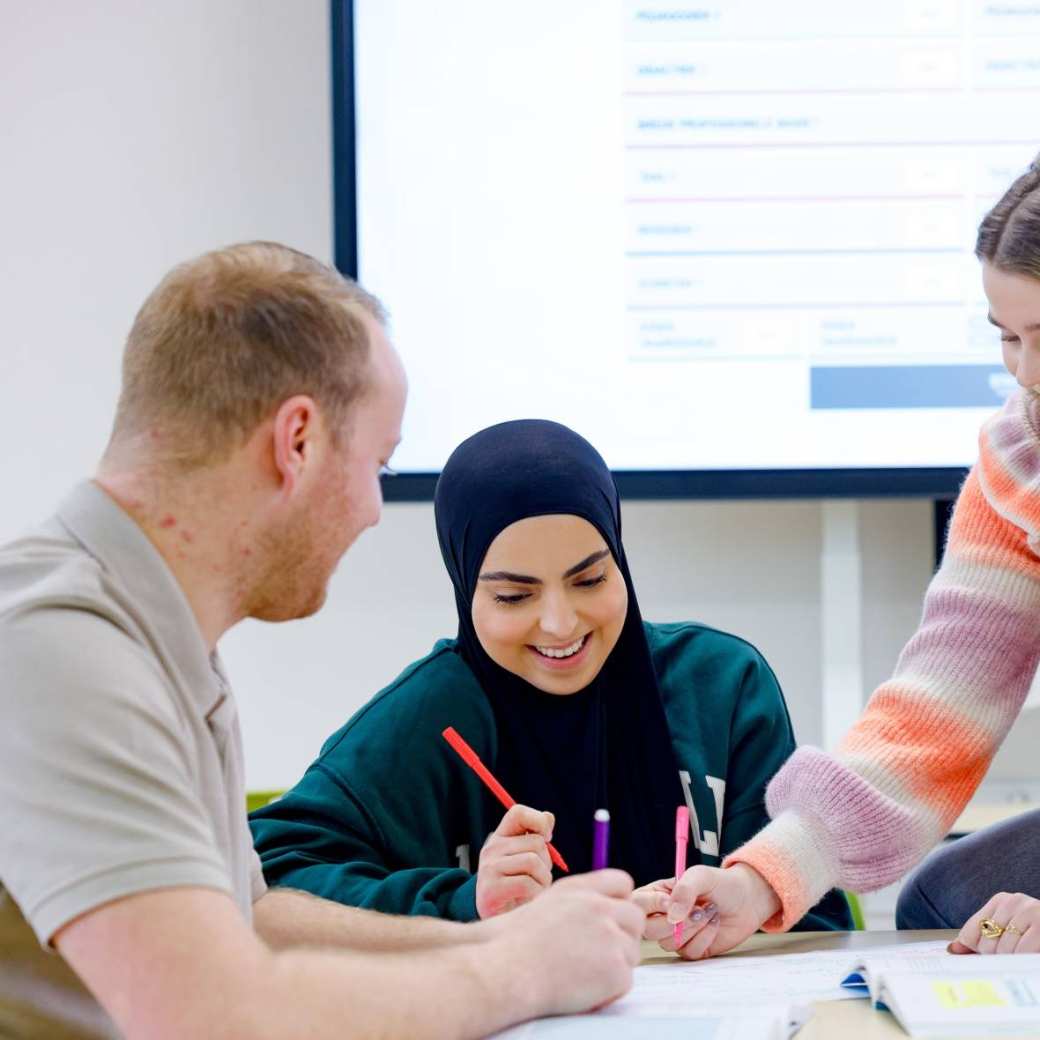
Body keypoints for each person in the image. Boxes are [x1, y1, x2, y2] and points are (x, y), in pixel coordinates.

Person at [0, 243, 645, 1040]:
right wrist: (520, 970)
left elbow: (255, 922)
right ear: (296, 441)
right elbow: (210, 1010)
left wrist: (501, 935)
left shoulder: (152, 640)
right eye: (378, 463)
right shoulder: (56, 651)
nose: (375, 510)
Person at [249, 418, 852, 951]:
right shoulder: (433, 717)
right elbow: (261, 873)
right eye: (514, 595)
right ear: (466, 591)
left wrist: (740, 908)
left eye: (590, 580)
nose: (560, 625)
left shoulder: (722, 687)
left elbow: (814, 919)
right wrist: (466, 904)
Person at [661, 155, 1040, 958]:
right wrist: (763, 875)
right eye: (1010, 339)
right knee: (945, 896)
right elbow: (936, 709)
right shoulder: (1019, 461)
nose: (1028, 375)